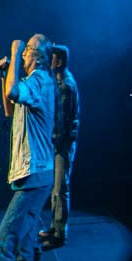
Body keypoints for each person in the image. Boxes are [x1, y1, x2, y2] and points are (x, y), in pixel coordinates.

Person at [0, 35, 56, 261]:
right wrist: (6, 72)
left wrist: (13, 53)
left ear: (37, 55)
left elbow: (14, 91)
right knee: (25, 245)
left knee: (2, 243)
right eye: (23, 48)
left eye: (27, 49)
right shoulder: (33, 84)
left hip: (35, 175)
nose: (23, 52)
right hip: (32, 175)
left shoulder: (40, 80)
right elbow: (9, 108)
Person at [39, 43, 78, 249]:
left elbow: (62, 122)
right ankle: (54, 227)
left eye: (52, 58)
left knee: (61, 188)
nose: (49, 61)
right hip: (59, 143)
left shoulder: (65, 86)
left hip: (62, 144)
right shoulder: (59, 82)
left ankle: (59, 233)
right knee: (56, 188)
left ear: (59, 61)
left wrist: (53, 144)